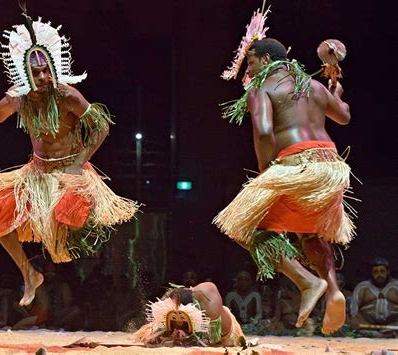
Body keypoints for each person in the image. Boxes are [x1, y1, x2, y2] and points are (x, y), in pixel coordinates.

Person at [0, 8, 138, 307]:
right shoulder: (18, 99)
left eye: (47, 70)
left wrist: (80, 161)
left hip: (70, 173)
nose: (44, 76)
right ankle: (29, 274)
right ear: (25, 73)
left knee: (65, 223)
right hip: (37, 174)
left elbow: (102, 125)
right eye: (37, 72)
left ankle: (62, 250)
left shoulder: (67, 95)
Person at [214, 6, 355, 335]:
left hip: (296, 164)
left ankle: (306, 282)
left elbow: (263, 132)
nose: (247, 71)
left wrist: (266, 173)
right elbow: (344, 116)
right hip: (331, 170)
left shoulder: (261, 88)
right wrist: (336, 91)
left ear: (264, 61)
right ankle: (332, 289)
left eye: (250, 63)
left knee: (244, 227)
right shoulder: (314, 87)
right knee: (310, 233)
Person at [135, 282, 244, 347]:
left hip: (218, 331)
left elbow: (212, 341)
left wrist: (186, 338)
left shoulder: (210, 305)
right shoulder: (171, 307)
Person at [350, 257, 398, 337]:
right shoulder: (362, 287)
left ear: (388, 272)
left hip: (393, 326)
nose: (379, 275)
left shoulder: (396, 286)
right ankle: (378, 335)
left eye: (382, 271)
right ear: (371, 273)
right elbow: (354, 312)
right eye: (375, 272)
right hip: (368, 326)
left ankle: (387, 333)